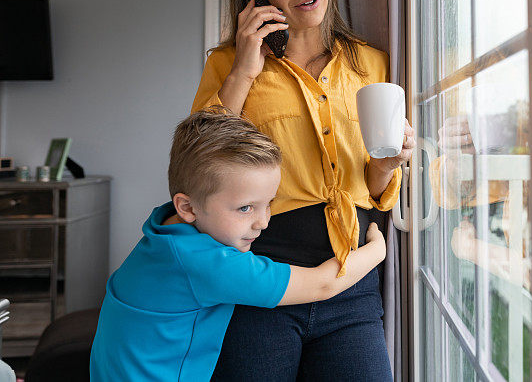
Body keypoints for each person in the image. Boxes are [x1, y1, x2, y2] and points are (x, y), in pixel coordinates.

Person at [192, 0, 414, 381]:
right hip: (259, 282)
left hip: (349, 283)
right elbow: (199, 162)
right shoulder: (229, 65)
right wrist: (246, 70)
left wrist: (389, 164)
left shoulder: (372, 64)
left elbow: (373, 188)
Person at [89, 107, 386, 381]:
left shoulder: (164, 229)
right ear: (188, 207)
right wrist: (376, 250)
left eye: (269, 203)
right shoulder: (209, 264)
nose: (263, 222)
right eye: (245, 208)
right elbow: (322, 284)